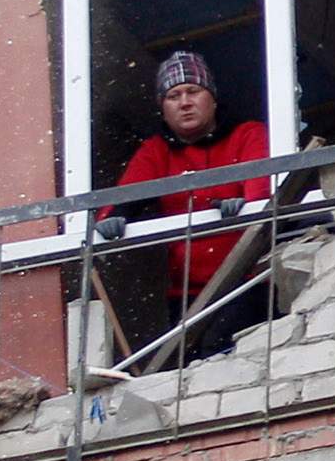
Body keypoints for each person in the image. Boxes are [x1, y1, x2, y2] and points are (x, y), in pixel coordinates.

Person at [113, 50, 271, 354]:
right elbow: (124, 198)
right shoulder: (157, 151)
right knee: (194, 373)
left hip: (250, 281)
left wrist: (242, 206)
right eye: (173, 96)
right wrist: (114, 217)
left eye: (193, 91)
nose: (184, 102)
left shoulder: (247, 134)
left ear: (212, 98)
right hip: (186, 295)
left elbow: (261, 197)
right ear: (163, 109)